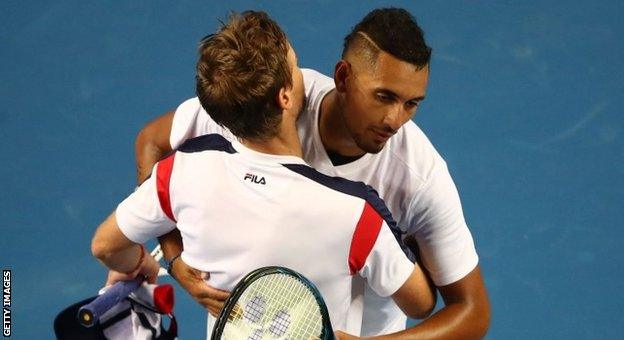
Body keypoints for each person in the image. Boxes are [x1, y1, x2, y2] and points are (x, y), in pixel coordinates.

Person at [136, 7, 490, 339]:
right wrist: (175, 255)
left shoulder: (419, 175)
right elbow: (152, 142)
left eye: (411, 103)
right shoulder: (274, 104)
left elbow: (472, 311)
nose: (395, 120)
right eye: (383, 96)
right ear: (343, 77)